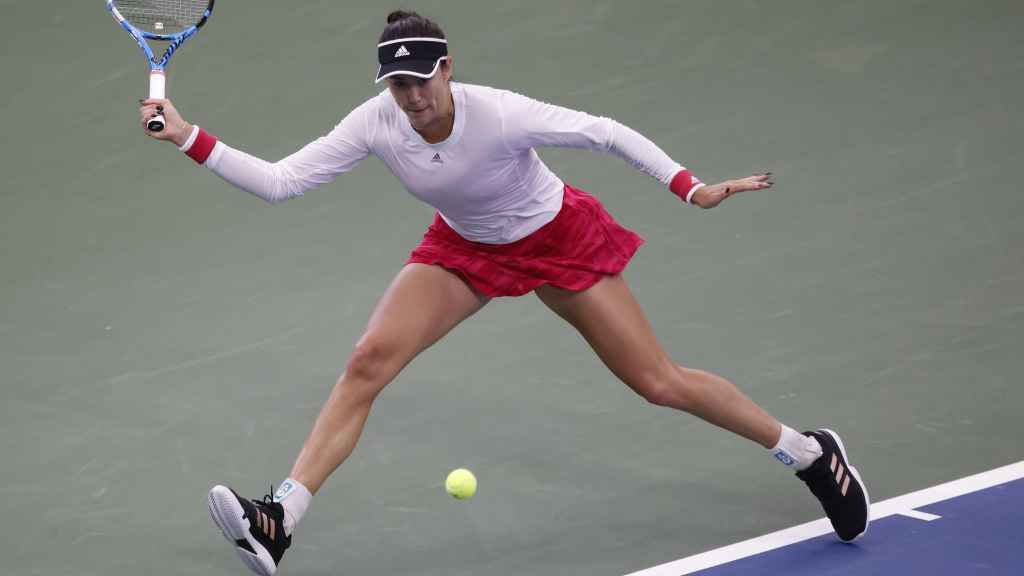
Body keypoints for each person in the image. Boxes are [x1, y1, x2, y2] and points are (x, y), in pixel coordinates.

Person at [139, 10, 869, 576]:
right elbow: (281, 182)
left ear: (448, 68)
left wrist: (689, 188)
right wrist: (187, 137)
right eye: (399, 85)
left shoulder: (500, 114)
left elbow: (605, 131)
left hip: (556, 239)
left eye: (424, 79)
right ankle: (281, 519)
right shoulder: (378, 123)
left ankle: (807, 453)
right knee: (368, 362)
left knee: (658, 382)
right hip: (464, 248)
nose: (414, 97)